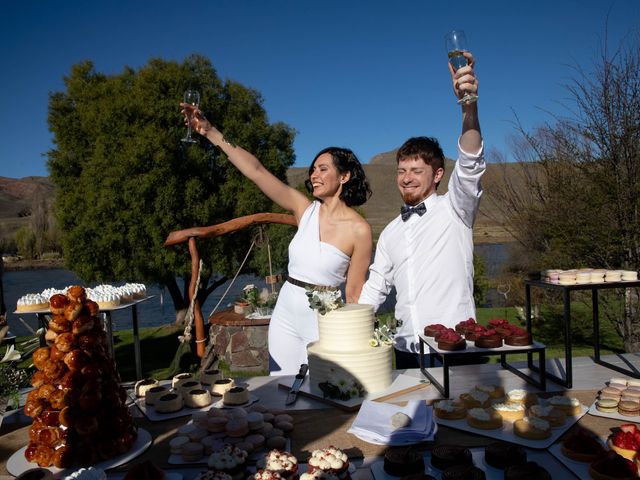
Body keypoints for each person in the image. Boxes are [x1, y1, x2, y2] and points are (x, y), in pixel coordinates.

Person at [180, 103, 373, 376]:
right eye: (313, 169)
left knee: (323, 388)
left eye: (323, 169)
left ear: (344, 176)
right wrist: (211, 132)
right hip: (286, 308)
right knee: (280, 385)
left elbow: (353, 294)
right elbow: (256, 170)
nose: (314, 175)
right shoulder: (304, 209)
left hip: (323, 317)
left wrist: (358, 339)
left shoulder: (360, 230)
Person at [358, 51, 484, 369]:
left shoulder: (455, 209)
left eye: (416, 170)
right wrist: (345, 326)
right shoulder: (389, 233)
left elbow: (470, 165)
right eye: (402, 171)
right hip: (405, 352)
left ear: (437, 174)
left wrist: (468, 106)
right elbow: (375, 288)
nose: (407, 178)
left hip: (455, 349)